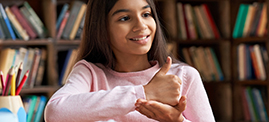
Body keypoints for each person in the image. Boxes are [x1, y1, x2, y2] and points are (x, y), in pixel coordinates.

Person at [44, 0, 215, 121]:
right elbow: (55, 112)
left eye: (146, 14)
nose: (141, 26)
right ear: (102, 29)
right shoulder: (90, 73)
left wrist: (177, 121)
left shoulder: (183, 76)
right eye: (125, 18)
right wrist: (145, 93)